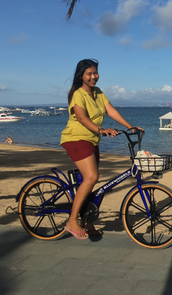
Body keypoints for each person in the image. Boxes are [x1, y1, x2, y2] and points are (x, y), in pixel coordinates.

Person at [60, 59, 143, 240]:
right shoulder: (78, 94)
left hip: (92, 140)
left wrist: (130, 127)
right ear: (81, 75)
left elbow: (111, 111)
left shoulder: (98, 92)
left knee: (90, 184)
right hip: (76, 138)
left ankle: (87, 222)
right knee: (92, 177)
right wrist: (101, 129)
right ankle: (72, 221)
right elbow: (81, 118)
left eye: (95, 73)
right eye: (89, 73)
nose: (93, 77)